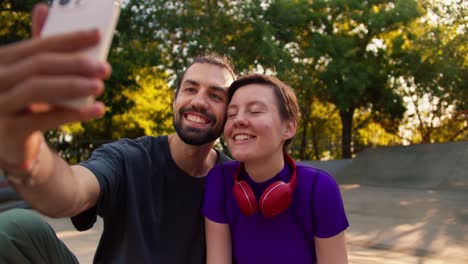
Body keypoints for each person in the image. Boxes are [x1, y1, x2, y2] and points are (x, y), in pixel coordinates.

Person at [0, 3, 236, 264]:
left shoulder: (236, 179)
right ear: (175, 100)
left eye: (215, 95)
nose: (200, 101)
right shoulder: (129, 157)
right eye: (191, 89)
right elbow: (70, 193)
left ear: (230, 112)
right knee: (14, 229)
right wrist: (26, 148)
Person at [202, 74, 349, 264]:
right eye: (231, 114)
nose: (238, 120)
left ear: (289, 128)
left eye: (255, 111)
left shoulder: (319, 189)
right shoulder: (220, 181)